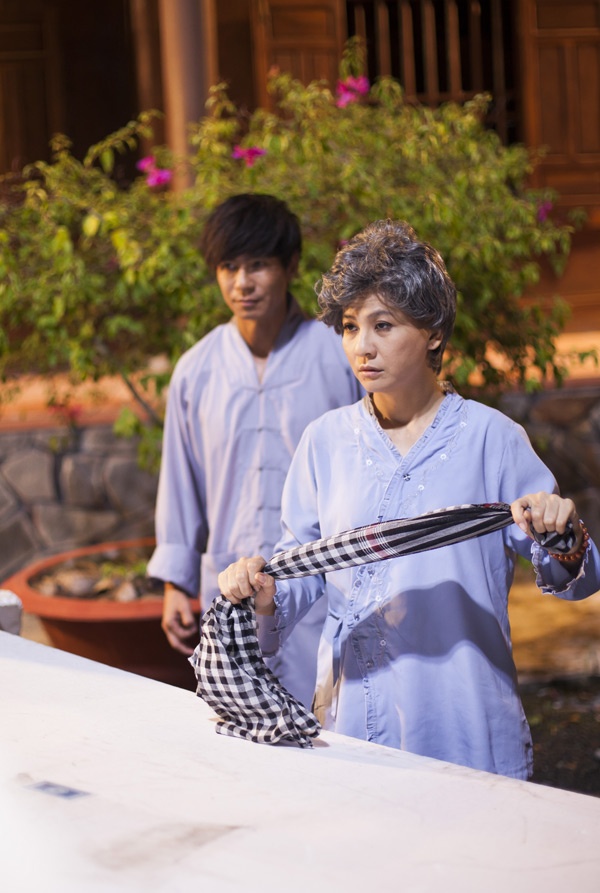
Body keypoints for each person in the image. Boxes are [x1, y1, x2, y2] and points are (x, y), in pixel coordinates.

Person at [217, 219, 600, 779]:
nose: (362, 347)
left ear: (433, 333)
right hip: (353, 715)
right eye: (350, 327)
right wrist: (265, 590)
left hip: (464, 716)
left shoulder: (491, 439)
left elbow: (577, 576)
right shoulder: (325, 441)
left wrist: (562, 535)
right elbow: (302, 569)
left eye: (383, 325)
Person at [147, 193, 362, 706]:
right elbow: (180, 484)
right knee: (237, 730)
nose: (242, 283)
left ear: (291, 265)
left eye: (258, 265)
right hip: (230, 588)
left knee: (333, 729)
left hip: (323, 587)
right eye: (229, 267)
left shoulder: (341, 357)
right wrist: (176, 584)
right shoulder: (195, 371)